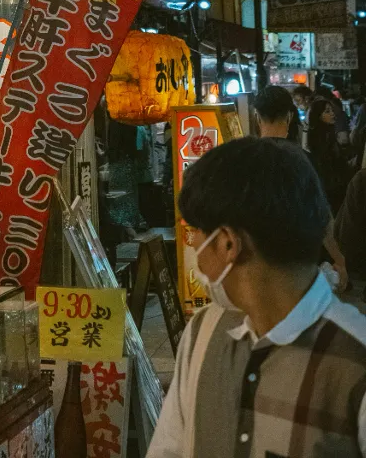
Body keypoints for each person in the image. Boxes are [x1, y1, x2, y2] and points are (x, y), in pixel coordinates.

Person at [148, 137, 366, 458]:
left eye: (195, 234)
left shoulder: (356, 355)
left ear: (227, 244)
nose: (193, 248)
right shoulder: (202, 333)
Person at [253, 86, 349, 290]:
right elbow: (322, 218)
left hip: (255, 269)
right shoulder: (304, 161)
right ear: (289, 117)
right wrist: (339, 260)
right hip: (297, 269)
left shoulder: (241, 161)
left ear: (256, 116)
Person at [307, 95, 352, 215]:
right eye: (327, 111)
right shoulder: (321, 138)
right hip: (331, 190)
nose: (332, 114)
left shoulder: (327, 134)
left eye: (332, 110)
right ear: (318, 115)